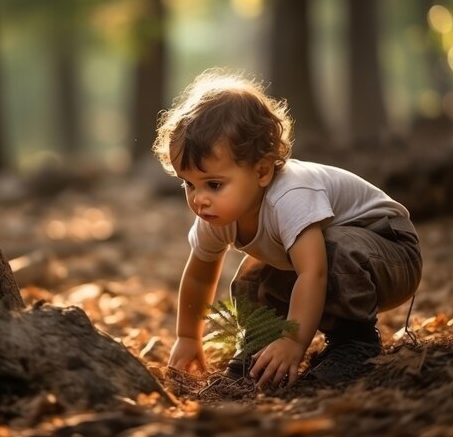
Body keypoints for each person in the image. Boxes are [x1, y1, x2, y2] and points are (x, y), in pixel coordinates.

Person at [152, 68, 422, 388]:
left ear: (263, 171)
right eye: (189, 185)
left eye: (213, 184)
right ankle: (260, 346)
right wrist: (187, 336)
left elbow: (314, 273)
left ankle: (355, 342)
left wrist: (295, 343)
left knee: (331, 249)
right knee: (251, 274)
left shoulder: (290, 196)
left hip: (390, 250)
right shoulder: (216, 213)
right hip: (339, 257)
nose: (199, 199)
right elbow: (198, 274)